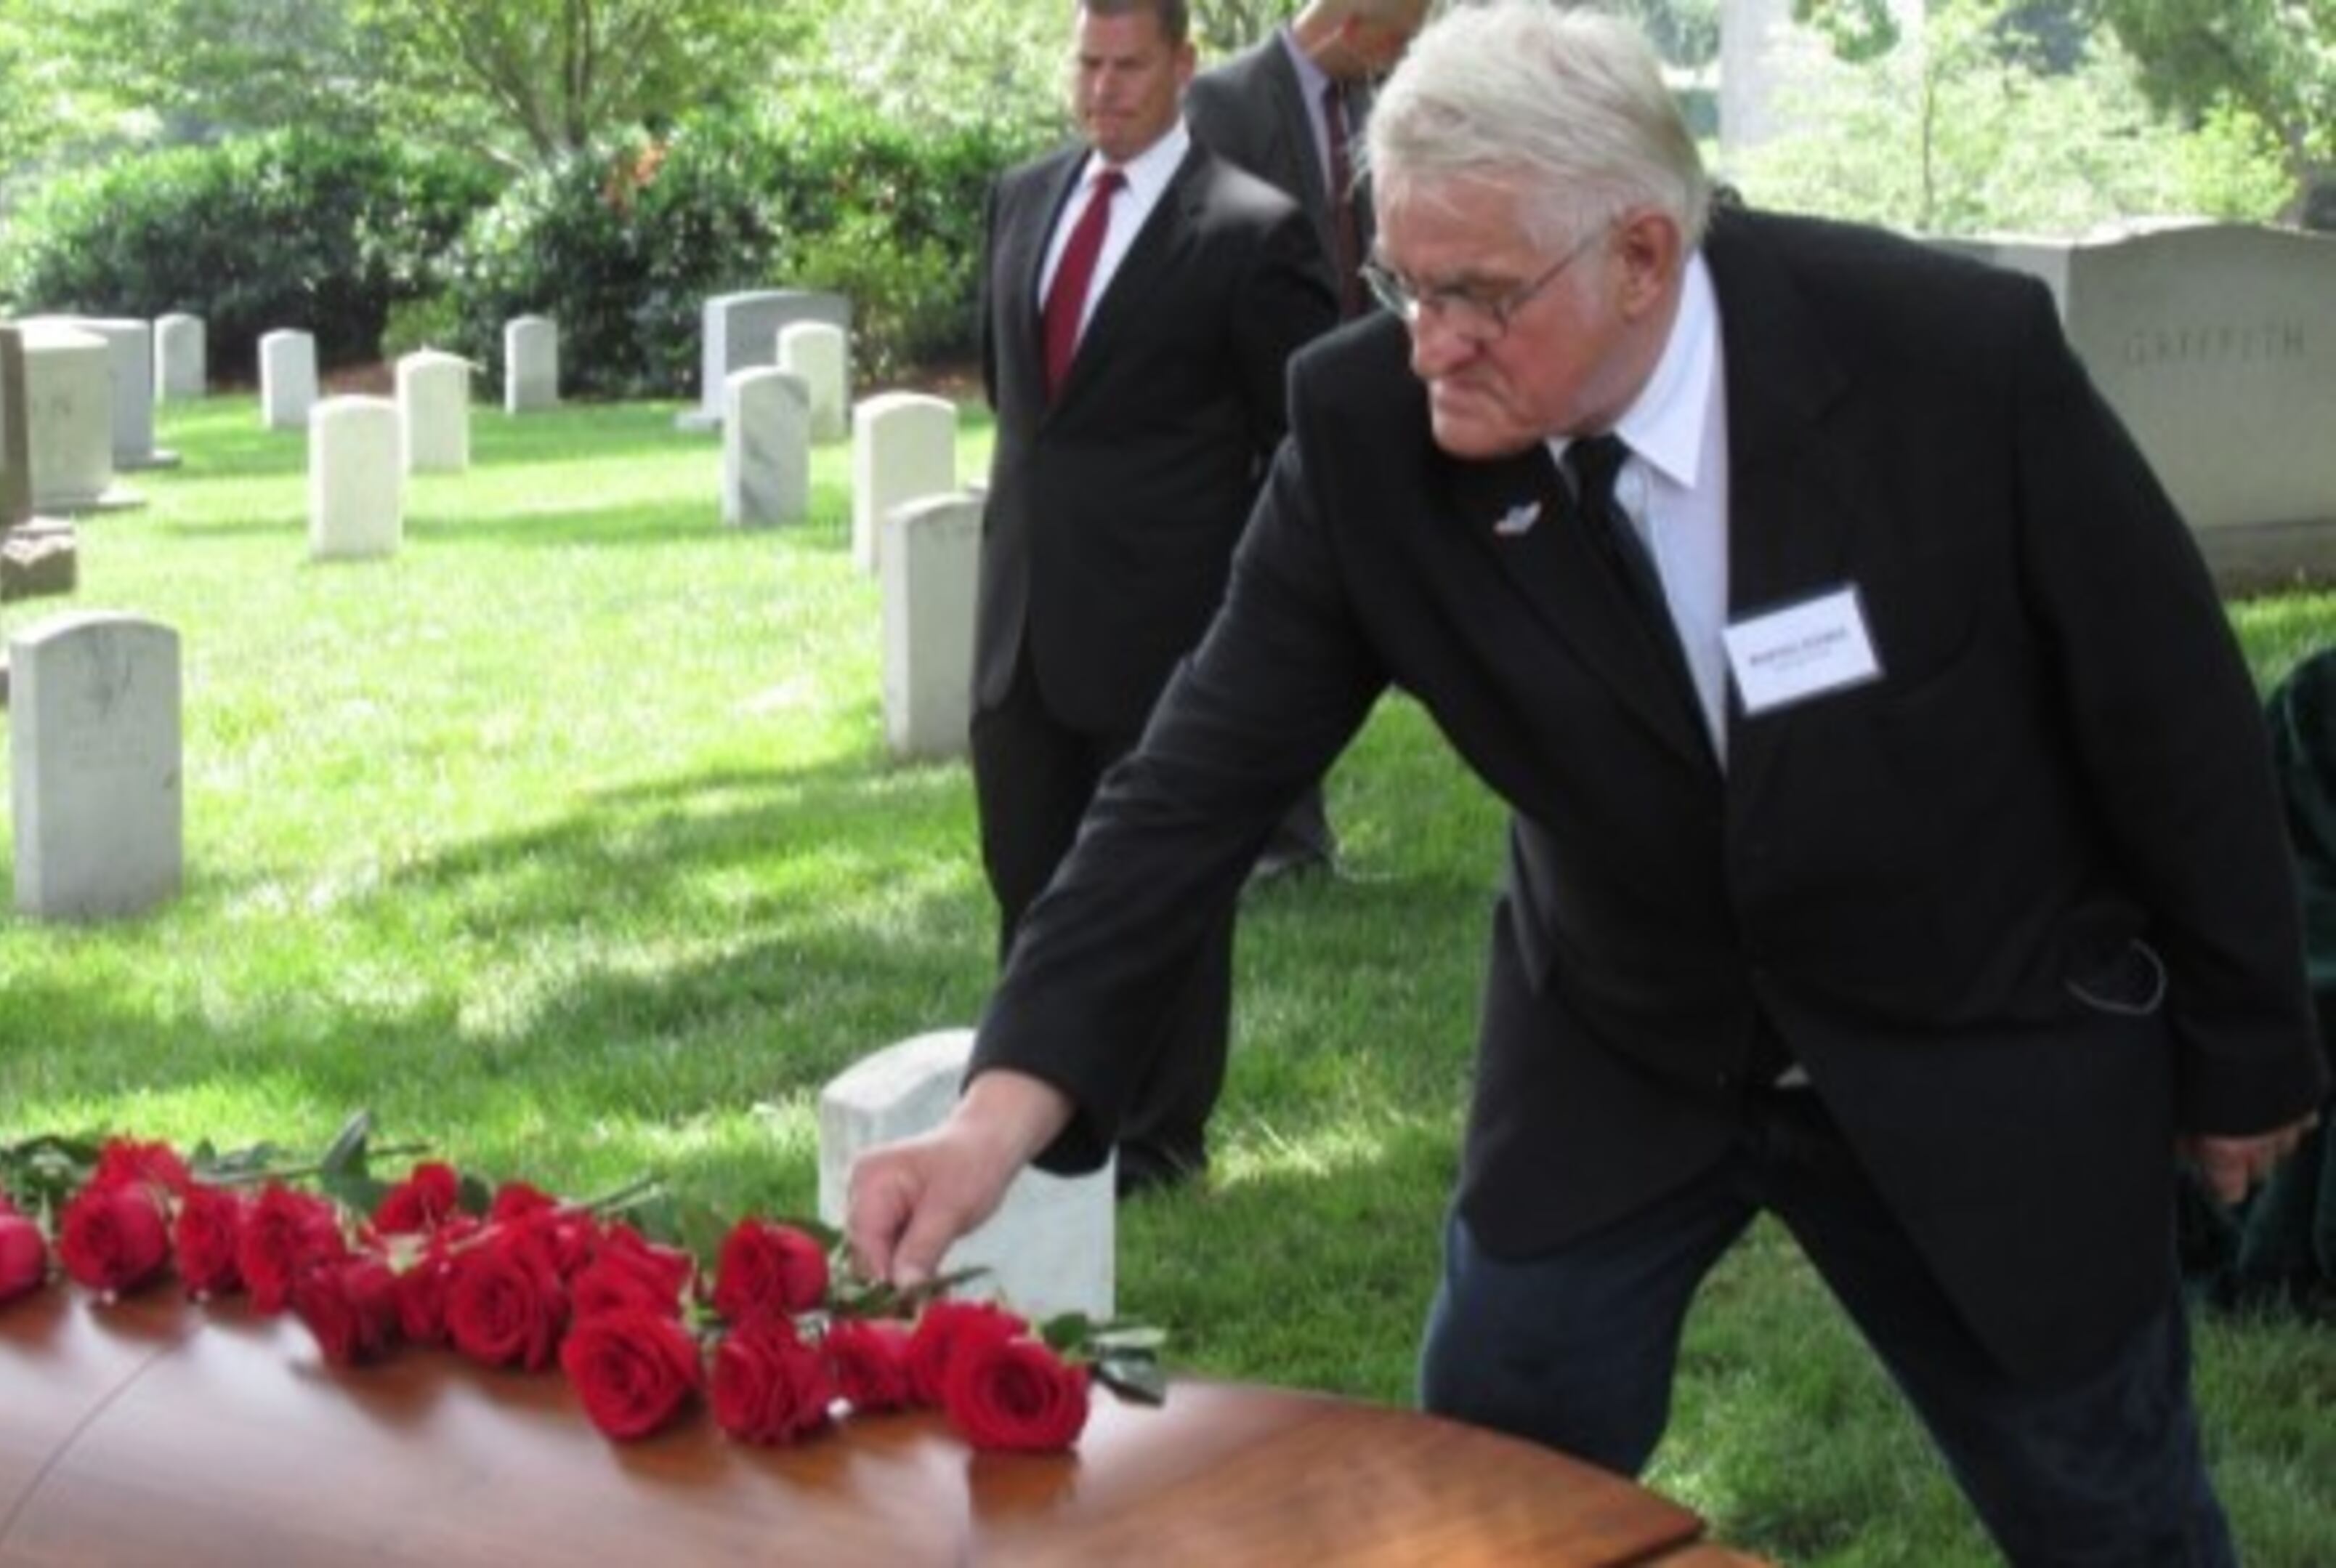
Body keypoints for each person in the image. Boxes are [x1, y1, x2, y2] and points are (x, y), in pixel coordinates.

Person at [852, 2, 2329, 1560]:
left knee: (2107, 1498)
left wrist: (2250, 1050)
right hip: (1624, 1036)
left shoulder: (1948, 364)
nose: (1429, 344)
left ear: (1641, 255)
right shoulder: (1369, 435)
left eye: (1480, 296)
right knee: (1495, 1474)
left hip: (1963, 1011)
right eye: (1405, 284)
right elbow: (1187, 788)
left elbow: (2171, 711)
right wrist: (993, 1117)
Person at [966, 0, 1335, 1197]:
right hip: (1021, 615)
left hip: (1166, 620)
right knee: (1026, 866)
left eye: (1130, 67)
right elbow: (1016, 399)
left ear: (1184, 68)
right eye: (1087, 63)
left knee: (1162, 886)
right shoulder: (1021, 198)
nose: (1103, 88)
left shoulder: (1250, 229)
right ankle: (1039, 1116)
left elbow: (1300, 442)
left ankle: (1160, 1136)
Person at [1185, 0, 1433, 883]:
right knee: (1264, 635)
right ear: (1355, 26)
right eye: (1401, 41)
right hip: (1248, 419)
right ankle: (1273, 847)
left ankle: (1297, 844)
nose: (1404, 59)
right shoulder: (1219, 104)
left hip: (1353, 406)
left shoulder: (1373, 109)